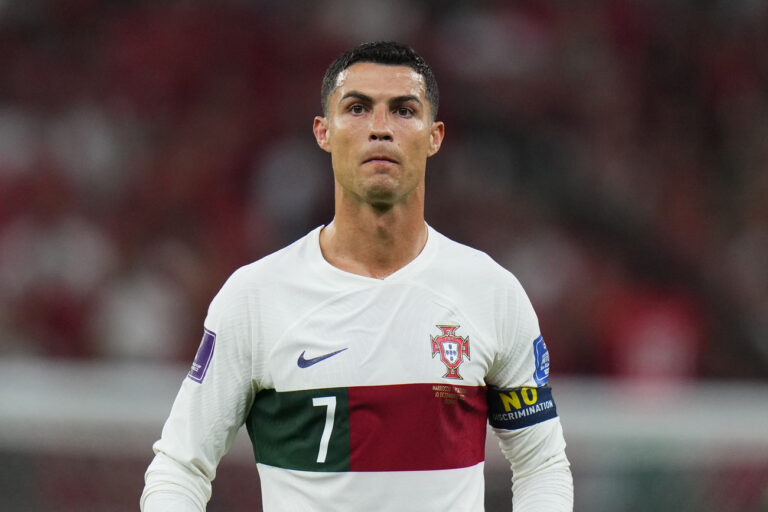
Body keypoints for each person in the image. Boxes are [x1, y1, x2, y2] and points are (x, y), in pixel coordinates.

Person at [141, 41, 573, 512]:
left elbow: (542, 465)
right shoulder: (256, 297)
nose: (381, 129)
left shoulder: (491, 293)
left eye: (404, 110)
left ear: (435, 135)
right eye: (358, 108)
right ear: (323, 132)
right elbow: (180, 467)